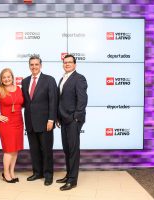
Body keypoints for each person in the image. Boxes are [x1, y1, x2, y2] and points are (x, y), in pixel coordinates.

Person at [21, 56, 57, 186]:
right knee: (34, 149)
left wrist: (51, 119)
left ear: (41, 65)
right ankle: (37, 172)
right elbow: (24, 102)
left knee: (46, 150)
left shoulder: (49, 80)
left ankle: (48, 175)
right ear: (29, 66)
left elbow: (53, 101)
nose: (34, 67)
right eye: (32, 64)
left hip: (45, 122)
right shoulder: (25, 82)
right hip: (30, 122)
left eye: (36, 64)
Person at [0, 68, 24, 183]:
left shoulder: (19, 89)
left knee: (15, 149)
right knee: (9, 150)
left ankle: (12, 172)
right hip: (6, 124)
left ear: (12, 77)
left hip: (19, 122)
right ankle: (6, 173)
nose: (6, 79)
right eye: (4, 77)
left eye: (8, 76)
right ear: (1, 79)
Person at [56, 54, 88, 191]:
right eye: (65, 62)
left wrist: (76, 117)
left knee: (73, 150)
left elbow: (82, 100)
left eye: (70, 62)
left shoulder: (79, 78)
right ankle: (68, 174)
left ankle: (72, 180)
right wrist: (58, 117)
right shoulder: (62, 78)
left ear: (75, 64)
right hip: (63, 119)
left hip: (73, 120)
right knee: (67, 149)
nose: (67, 64)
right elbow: (61, 100)